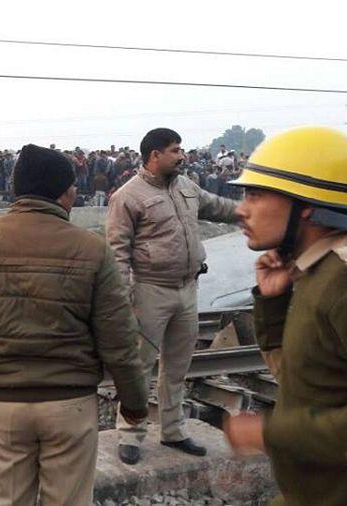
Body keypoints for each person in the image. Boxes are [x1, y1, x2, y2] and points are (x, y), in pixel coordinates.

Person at [0, 144, 148, 506]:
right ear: (65, 192)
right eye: (72, 189)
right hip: (70, 405)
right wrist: (134, 403)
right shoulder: (92, 248)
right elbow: (118, 337)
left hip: (5, 406)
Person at [224, 126, 347, 505]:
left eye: (255, 195)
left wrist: (273, 434)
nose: (242, 209)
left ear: (305, 204)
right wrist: (271, 303)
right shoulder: (317, 269)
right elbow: (309, 380)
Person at [106, 128, 239, 465]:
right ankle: (130, 434)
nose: (182, 156)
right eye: (175, 150)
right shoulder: (127, 196)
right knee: (139, 369)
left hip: (187, 289)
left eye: (181, 150)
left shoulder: (185, 186)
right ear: (154, 155)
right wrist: (124, 302)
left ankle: (173, 430)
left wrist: (250, 210)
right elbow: (117, 253)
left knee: (177, 367)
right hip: (149, 291)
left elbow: (217, 206)